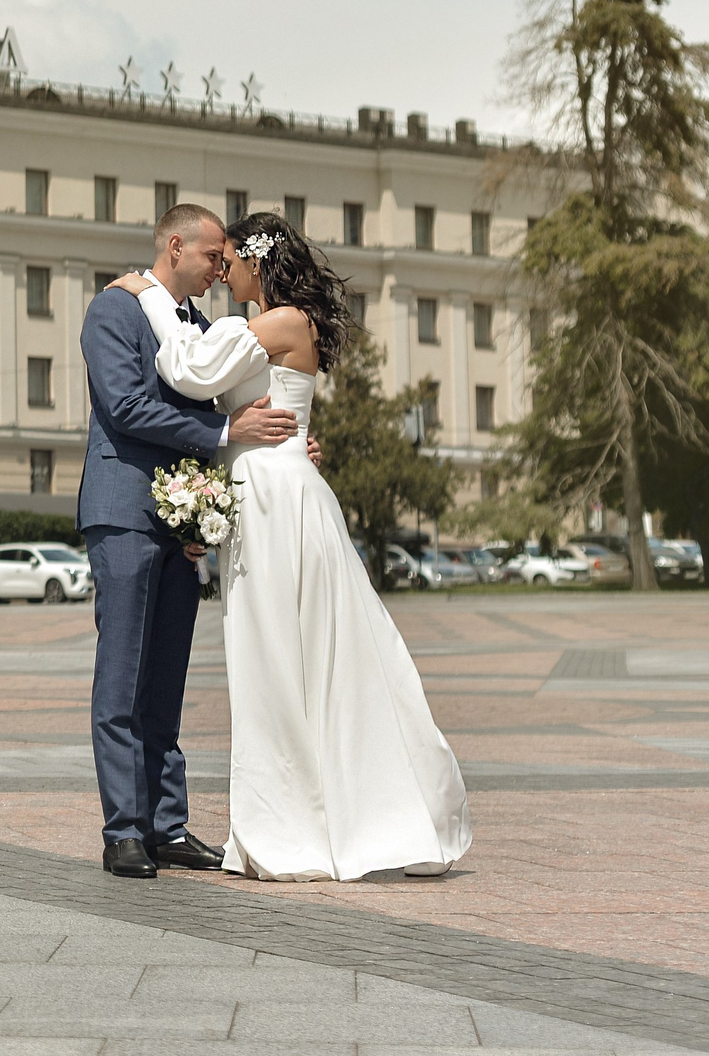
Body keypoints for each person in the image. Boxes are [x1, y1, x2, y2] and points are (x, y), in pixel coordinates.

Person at [115, 212, 472, 881]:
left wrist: (151, 298)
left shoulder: (278, 320)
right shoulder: (281, 324)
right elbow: (249, 403)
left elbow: (189, 369)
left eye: (231, 260)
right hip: (275, 487)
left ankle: (289, 826)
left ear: (259, 262)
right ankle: (301, 816)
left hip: (275, 501)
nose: (223, 272)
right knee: (288, 657)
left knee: (275, 659)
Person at [77, 202, 299, 879]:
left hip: (180, 524)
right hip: (123, 512)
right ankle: (124, 829)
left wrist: (242, 472)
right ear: (176, 247)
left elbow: (218, 402)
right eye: (211, 257)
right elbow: (127, 406)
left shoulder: (197, 326)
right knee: (122, 675)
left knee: (167, 678)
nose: (218, 271)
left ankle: (166, 823)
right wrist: (225, 437)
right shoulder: (112, 312)